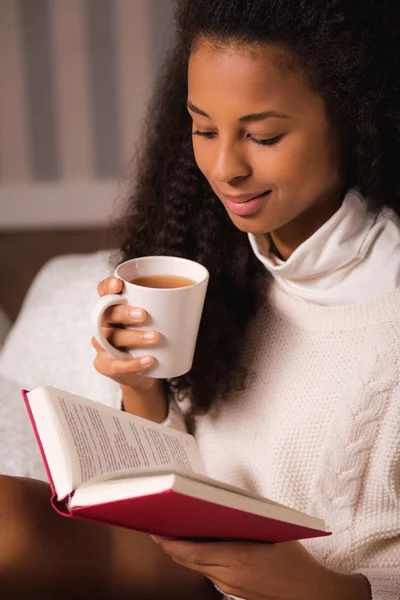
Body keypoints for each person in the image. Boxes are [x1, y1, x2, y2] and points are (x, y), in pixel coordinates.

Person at [0, 0, 399, 598]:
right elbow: (187, 487)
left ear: (352, 119)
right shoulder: (221, 263)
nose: (222, 168)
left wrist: (328, 589)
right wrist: (142, 387)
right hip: (190, 571)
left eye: (262, 136)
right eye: (204, 128)